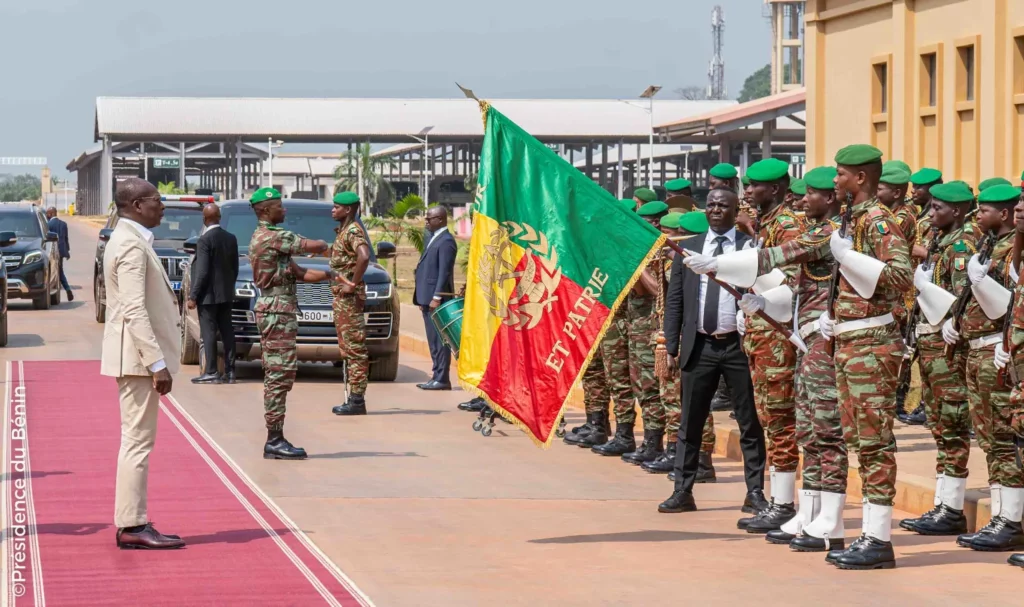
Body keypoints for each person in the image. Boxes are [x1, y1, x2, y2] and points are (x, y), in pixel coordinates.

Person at [687, 144, 912, 569]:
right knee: (838, 435)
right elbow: (787, 255)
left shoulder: (878, 221)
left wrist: (848, 257)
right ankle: (838, 526)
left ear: (858, 178)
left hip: (870, 341)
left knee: (872, 442)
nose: (832, 182)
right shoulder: (849, 219)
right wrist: (719, 267)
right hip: (842, 339)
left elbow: (899, 278)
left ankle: (878, 539)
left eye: (841, 175)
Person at [657, 188, 768, 517]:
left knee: (749, 422)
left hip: (738, 347)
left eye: (724, 206)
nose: (717, 210)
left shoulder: (749, 248)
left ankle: (756, 493)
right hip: (700, 345)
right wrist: (672, 347)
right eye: (713, 205)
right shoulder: (689, 248)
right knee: (690, 422)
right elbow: (675, 299)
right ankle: (682, 490)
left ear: (736, 211)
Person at [756, 166, 849, 552]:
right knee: (808, 429)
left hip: (826, 343)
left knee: (826, 430)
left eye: (810, 194)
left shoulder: (830, 233)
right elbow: (796, 285)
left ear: (829, 198)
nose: (801, 199)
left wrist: (717, 264)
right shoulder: (817, 229)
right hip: (808, 341)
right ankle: (810, 512)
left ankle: (832, 519)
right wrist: (762, 302)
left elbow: (783, 254)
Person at [100, 178, 184, 549]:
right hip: (137, 360)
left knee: (137, 440)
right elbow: (134, 309)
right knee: (137, 442)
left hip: (134, 357)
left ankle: (133, 521)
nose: (162, 206)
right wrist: (156, 363)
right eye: (157, 200)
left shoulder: (128, 239)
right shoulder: (131, 244)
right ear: (136, 205)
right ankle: (132, 526)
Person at [948, 183, 1024, 552]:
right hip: (978, 349)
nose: (978, 217)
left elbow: (1010, 305)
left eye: (985, 211)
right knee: (990, 437)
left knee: (1004, 438)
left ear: (1005, 214)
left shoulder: (1012, 249)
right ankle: (1000, 515)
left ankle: (1010, 520)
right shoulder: (989, 245)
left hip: (999, 349)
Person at [731, 158, 804, 534]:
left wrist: (763, 300)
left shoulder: (788, 225)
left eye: (754, 186)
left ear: (774, 189)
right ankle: (781, 501)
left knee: (780, 420)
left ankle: (784, 503)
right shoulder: (767, 224)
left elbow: (793, 279)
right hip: (762, 335)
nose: (747, 192)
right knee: (770, 419)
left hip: (778, 339)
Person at [899, 181, 974, 536]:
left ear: (957, 211)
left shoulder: (960, 245)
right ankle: (944, 504)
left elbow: (961, 296)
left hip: (947, 348)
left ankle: (952, 508)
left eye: (937, 209)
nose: (930, 214)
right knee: (940, 426)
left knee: (953, 423)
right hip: (929, 345)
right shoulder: (940, 241)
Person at [248, 187, 331, 460]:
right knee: (278, 375)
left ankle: (276, 436)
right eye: (279, 207)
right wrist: (331, 247)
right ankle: (274, 439)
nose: (284, 211)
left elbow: (302, 273)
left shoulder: (276, 243)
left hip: (280, 311)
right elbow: (312, 246)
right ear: (265, 210)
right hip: (276, 312)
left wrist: (334, 276)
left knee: (283, 374)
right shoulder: (271, 237)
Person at [642, 211, 717, 483]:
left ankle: (702, 462)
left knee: (689, 401)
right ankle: (679, 453)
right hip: (675, 336)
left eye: (673, 234)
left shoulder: (688, 262)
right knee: (672, 399)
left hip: (689, 338)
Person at [594, 201, 668, 463]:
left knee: (650, 386)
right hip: (630, 326)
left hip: (653, 330)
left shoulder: (666, 252)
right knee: (628, 383)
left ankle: (654, 442)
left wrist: (637, 264)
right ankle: (628, 435)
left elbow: (658, 290)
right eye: (647, 222)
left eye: (657, 221)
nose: (653, 226)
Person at [564, 200, 636, 449]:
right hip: (591, 319)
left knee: (618, 380)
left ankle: (624, 434)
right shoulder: (594, 250)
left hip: (616, 324)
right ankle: (596, 424)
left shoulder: (628, 250)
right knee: (593, 373)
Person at [328, 192, 372, 415]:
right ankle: (354, 397)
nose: (333, 210)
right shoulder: (344, 231)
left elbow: (364, 255)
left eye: (336, 207)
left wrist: (353, 284)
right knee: (348, 348)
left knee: (355, 349)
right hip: (342, 300)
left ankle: (357, 400)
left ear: (348, 210)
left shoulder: (353, 230)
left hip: (349, 299)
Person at [187, 203, 239, 384]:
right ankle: (231, 372)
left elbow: (202, 272)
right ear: (219, 217)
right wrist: (228, 288)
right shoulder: (231, 238)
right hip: (226, 294)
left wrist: (193, 296)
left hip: (208, 296)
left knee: (208, 333)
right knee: (227, 331)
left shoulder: (204, 240)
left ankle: (211, 371)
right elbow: (235, 268)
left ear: (204, 219)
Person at [414, 205, 458, 391]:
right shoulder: (433, 238)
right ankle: (436, 375)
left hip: (436, 299)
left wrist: (436, 297)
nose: (426, 221)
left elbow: (444, 272)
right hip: (426, 297)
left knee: (440, 341)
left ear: (440, 219)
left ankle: (442, 378)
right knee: (433, 340)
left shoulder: (446, 241)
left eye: (429, 218)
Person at [45, 206, 73, 301]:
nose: (46, 215)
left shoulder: (48, 225)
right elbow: (66, 239)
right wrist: (67, 252)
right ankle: (67, 289)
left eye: (47, 214)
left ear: (51, 214)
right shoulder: (63, 224)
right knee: (59, 270)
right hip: (62, 251)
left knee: (57, 271)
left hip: (53, 252)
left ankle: (65, 289)